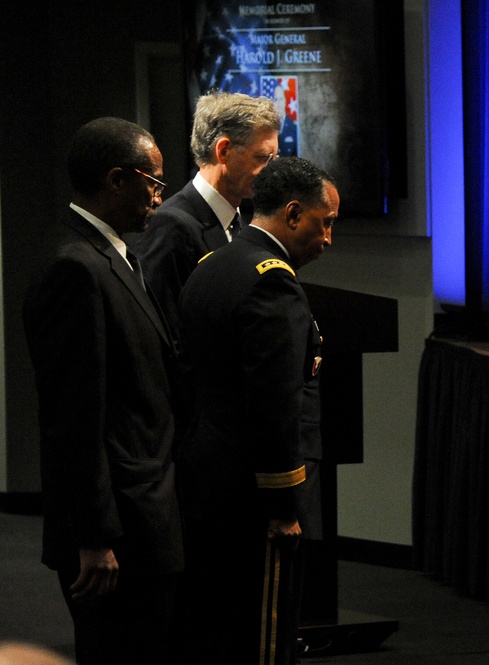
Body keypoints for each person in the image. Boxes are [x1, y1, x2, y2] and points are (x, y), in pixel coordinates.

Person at [22, 117, 183, 665]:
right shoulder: (74, 268)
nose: (158, 197)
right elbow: (73, 417)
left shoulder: (114, 254)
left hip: (143, 519)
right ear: (118, 179)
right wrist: (94, 537)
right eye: (153, 182)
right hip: (116, 536)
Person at [174, 156, 338, 664]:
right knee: (262, 640)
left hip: (207, 482)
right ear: (293, 214)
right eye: (324, 222)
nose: (329, 238)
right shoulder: (272, 281)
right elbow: (275, 405)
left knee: (214, 630)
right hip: (255, 501)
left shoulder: (214, 265)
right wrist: (284, 506)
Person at [131, 90, 280, 338]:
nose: (271, 171)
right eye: (263, 158)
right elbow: (162, 333)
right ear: (223, 151)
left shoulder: (237, 222)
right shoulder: (170, 226)